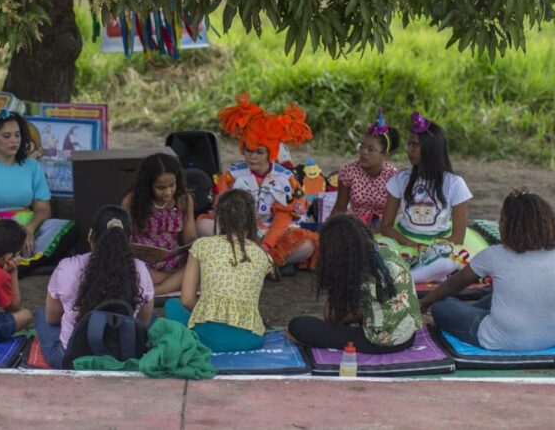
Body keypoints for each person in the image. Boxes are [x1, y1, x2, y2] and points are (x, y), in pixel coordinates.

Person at [421, 191, 555, 350]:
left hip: (501, 340)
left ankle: (470, 313)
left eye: (502, 219)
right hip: (551, 338)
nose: (499, 223)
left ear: (511, 225)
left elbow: (454, 285)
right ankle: (472, 312)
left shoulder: (495, 254)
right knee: (500, 295)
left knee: (441, 305)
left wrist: (425, 302)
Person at [0, 110, 76, 272]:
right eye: (6, 136)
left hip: (26, 223)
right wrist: (15, 230)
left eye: (17, 135)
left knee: (70, 229)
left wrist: (30, 228)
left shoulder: (32, 166)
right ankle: (23, 265)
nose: (14, 141)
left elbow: (43, 209)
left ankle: (21, 266)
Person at [34, 206, 154, 369]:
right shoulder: (140, 269)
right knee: (153, 319)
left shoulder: (66, 267)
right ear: (130, 239)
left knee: (41, 315)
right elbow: (143, 321)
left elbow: (52, 318)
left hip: (72, 360)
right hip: (123, 357)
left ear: (90, 235)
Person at [209, 92, 317, 270]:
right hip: (239, 231)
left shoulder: (287, 178)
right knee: (203, 226)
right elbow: (220, 202)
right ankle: (264, 265)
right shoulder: (231, 175)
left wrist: (282, 215)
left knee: (307, 245)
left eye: (259, 152)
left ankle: (260, 263)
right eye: (248, 151)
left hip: (273, 230)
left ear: (271, 153)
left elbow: (297, 206)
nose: (252, 157)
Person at [287, 214, 422, 353]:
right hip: (409, 336)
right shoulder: (388, 252)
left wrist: (333, 282)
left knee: (299, 326)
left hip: (380, 343)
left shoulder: (355, 271)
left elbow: (332, 318)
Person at [165, 190, 273, 352]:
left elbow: (187, 300)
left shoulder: (202, 245)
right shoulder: (264, 257)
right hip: (250, 339)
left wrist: (208, 314)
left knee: (171, 305)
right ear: (252, 219)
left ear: (218, 218)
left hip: (207, 338)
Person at [378, 112, 472, 252]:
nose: (408, 150)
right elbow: (385, 227)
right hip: (403, 240)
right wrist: (410, 244)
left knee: (445, 264)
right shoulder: (401, 179)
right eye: (409, 145)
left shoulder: (455, 184)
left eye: (414, 145)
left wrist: (430, 250)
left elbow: (458, 237)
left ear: (431, 149)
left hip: (440, 244)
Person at [122, 153, 197, 295]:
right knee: (128, 265)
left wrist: (194, 247)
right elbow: (125, 240)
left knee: (201, 257)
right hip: (145, 265)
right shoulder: (131, 202)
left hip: (176, 261)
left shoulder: (184, 199)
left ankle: (160, 288)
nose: (168, 192)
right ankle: (177, 283)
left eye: (172, 185)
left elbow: (190, 236)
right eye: (161, 188)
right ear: (148, 185)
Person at [330, 109, 400, 228]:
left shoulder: (393, 176)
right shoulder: (348, 171)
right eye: (362, 147)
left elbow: (392, 217)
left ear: (385, 155)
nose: (363, 152)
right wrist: (326, 231)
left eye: (370, 149)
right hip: (355, 226)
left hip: (383, 228)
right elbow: (339, 208)